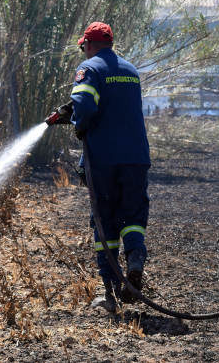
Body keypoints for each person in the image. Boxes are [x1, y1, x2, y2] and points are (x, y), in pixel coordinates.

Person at [69, 21, 151, 313]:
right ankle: (136, 260)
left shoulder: (89, 68)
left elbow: (86, 106)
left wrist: (77, 124)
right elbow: (116, 107)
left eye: (83, 46)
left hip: (104, 159)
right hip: (136, 158)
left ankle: (110, 290)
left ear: (89, 45)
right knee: (132, 216)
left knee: (104, 222)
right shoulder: (131, 71)